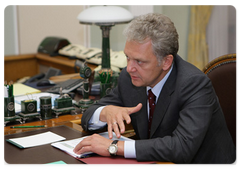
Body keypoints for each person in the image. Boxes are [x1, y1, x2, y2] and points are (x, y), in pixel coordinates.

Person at [74, 13, 237, 164]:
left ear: (166, 62)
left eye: (139, 61)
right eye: (127, 57)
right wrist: (105, 112)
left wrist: (115, 147)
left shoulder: (194, 84)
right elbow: (88, 116)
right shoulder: (129, 78)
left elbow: (182, 148)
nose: (129, 67)